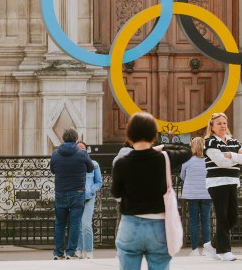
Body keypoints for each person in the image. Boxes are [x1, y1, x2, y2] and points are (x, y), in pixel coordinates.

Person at [111, 112, 190, 270]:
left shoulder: (121, 163)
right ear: (154, 135)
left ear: (129, 135)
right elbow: (188, 150)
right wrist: (161, 147)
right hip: (159, 225)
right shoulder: (163, 159)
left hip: (130, 224)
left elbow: (116, 193)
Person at [203, 112, 242, 262]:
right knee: (222, 216)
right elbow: (220, 162)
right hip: (217, 183)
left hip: (232, 181)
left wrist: (230, 155)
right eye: (219, 123)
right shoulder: (210, 142)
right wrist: (236, 158)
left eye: (224, 123)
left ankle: (212, 244)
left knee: (232, 217)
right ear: (212, 127)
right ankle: (225, 251)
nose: (222, 126)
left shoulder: (234, 141)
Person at [50, 127, 93, 260]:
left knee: (60, 223)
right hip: (78, 191)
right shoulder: (82, 153)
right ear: (75, 139)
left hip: (61, 191)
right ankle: (70, 252)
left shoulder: (55, 153)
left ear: (63, 138)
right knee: (75, 223)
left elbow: (52, 170)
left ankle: (58, 252)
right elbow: (90, 168)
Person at [180, 136, 212, 256]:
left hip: (192, 195)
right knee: (206, 221)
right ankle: (206, 249)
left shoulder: (187, 160)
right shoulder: (209, 160)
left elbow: (182, 176)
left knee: (193, 221)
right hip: (207, 194)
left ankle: (194, 250)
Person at [75, 141, 103, 260]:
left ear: (87, 150)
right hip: (76, 197)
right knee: (78, 225)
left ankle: (89, 251)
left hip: (89, 198)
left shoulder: (94, 164)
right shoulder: (74, 164)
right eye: (78, 149)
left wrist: (92, 190)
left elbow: (99, 182)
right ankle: (79, 249)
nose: (81, 150)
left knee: (86, 224)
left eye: (83, 148)